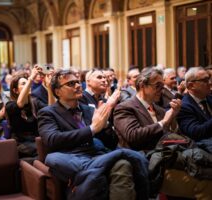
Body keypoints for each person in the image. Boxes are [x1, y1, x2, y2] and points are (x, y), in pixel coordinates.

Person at [38, 70, 149, 200]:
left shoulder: (89, 109)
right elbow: (52, 140)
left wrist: (105, 124)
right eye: (71, 83)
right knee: (122, 163)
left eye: (78, 82)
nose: (78, 86)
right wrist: (92, 129)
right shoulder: (48, 113)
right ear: (57, 92)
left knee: (123, 165)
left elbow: (112, 142)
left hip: (96, 154)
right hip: (72, 157)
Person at [113, 67, 212, 199]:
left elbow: (173, 136)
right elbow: (133, 136)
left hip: (171, 157)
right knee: (206, 183)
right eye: (158, 86)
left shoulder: (158, 109)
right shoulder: (125, 107)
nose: (162, 90)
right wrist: (163, 123)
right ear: (143, 85)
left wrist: (173, 121)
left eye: (162, 85)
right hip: (149, 162)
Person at [5, 67, 40, 160]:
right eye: (23, 84)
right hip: (21, 145)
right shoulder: (10, 105)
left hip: (35, 141)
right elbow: (20, 103)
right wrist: (31, 79)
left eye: (27, 83)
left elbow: (50, 107)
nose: (28, 85)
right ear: (15, 90)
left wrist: (49, 87)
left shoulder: (35, 102)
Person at [177, 67, 212, 152]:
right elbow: (195, 132)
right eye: (205, 80)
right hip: (202, 148)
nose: (210, 83)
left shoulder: (209, 98)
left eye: (209, 79)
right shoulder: (184, 106)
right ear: (191, 85)